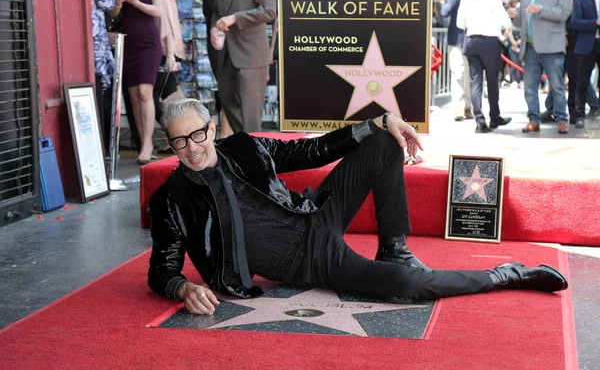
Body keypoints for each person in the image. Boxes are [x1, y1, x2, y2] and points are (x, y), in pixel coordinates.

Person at [147, 98, 568, 315]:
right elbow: (161, 269)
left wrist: (380, 121)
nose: (192, 149)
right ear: (171, 144)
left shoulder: (243, 147)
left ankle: (394, 245)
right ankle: (503, 276)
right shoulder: (170, 199)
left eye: (197, 135)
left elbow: (312, 151)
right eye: (179, 141)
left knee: (384, 142)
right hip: (309, 261)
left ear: (211, 128)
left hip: (316, 213)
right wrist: (181, 287)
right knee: (406, 288)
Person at [210, 0, 276, 134]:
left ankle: (254, 150)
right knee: (225, 97)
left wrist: (235, 18)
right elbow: (218, 12)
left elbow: (269, 10)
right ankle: (250, 141)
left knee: (251, 112)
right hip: (225, 53)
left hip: (251, 53)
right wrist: (213, 27)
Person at [508, 0, 572, 134]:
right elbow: (521, 23)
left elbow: (564, 14)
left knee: (557, 87)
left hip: (552, 48)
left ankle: (561, 120)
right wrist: (513, 17)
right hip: (530, 49)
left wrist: (541, 9)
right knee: (529, 88)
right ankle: (533, 120)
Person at [109, 0, 162, 164]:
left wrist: (136, 2)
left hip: (148, 42)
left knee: (145, 92)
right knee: (133, 96)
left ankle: (148, 142)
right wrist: (118, 1)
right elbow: (112, 14)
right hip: (126, 43)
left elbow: (159, 11)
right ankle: (142, 142)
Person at [456, 0, 513, 133]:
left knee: (475, 81)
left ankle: (480, 120)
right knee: (493, 79)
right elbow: (503, 17)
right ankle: (494, 117)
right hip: (488, 41)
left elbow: (460, 22)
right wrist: (506, 26)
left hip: (471, 40)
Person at [543, 0, 599, 124]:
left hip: (579, 36)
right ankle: (552, 108)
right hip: (556, 34)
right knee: (556, 73)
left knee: (577, 75)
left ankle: (579, 109)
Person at [90, 0, 120, 152]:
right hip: (98, 49)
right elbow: (110, 3)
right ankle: (103, 147)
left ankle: (104, 147)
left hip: (96, 46)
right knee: (102, 97)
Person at [439, 0, 475, 122]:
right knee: (458, 73)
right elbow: (444, 13)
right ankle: (458, 109)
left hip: (473, 40)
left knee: (470, 75)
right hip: (456, 41)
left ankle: (468, 108)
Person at [203, 0, 233, 139]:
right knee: (228, 90)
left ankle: (227, 133)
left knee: (229, 90)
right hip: (221, 48)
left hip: (222, 46)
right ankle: (225, 134)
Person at [154, 0, 185, 127]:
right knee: (170, 96)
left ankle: (176, 132)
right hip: (168, 48)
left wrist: (170, 54)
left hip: (165, 49)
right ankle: (181, 131)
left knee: (155, 98)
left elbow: (167, 23)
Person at [569, 0, 600, 128]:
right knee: (581, 82)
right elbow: (575, 22)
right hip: (586, 44)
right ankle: (579, 115)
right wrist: (595, 22)